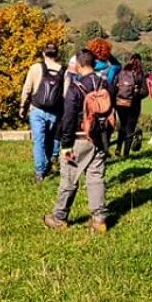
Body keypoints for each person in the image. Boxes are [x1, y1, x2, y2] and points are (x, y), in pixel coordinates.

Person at [44, 50, 113, 233]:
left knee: (69, 178)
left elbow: (68, 119)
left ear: (80, 65)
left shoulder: (76, 88)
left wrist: (65, 144)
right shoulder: (104, 83)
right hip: (99, 138)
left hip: (78, 138)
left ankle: (59, 217)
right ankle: (99, 220)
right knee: (96, 177)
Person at [20, 43, 66, 182]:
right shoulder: (64, 71)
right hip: (55, 111)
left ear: (44, 54)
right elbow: (65, 94)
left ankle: (39, 172)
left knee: (38, 141)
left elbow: (27, 88)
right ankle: (48, 163)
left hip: (37, 109)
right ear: (57, 54)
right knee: (50, 140)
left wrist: (23, 106)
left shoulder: (35, 68)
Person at [114, 54, 147, 157]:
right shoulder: (139, 73)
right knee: (130, 128)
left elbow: (115, 86)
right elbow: (145, 91)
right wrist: (136, 95)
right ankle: (126, 153)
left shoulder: (122, 71)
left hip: (120, 104)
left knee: (122, 126)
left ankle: (118, 148)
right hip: (133, 105)